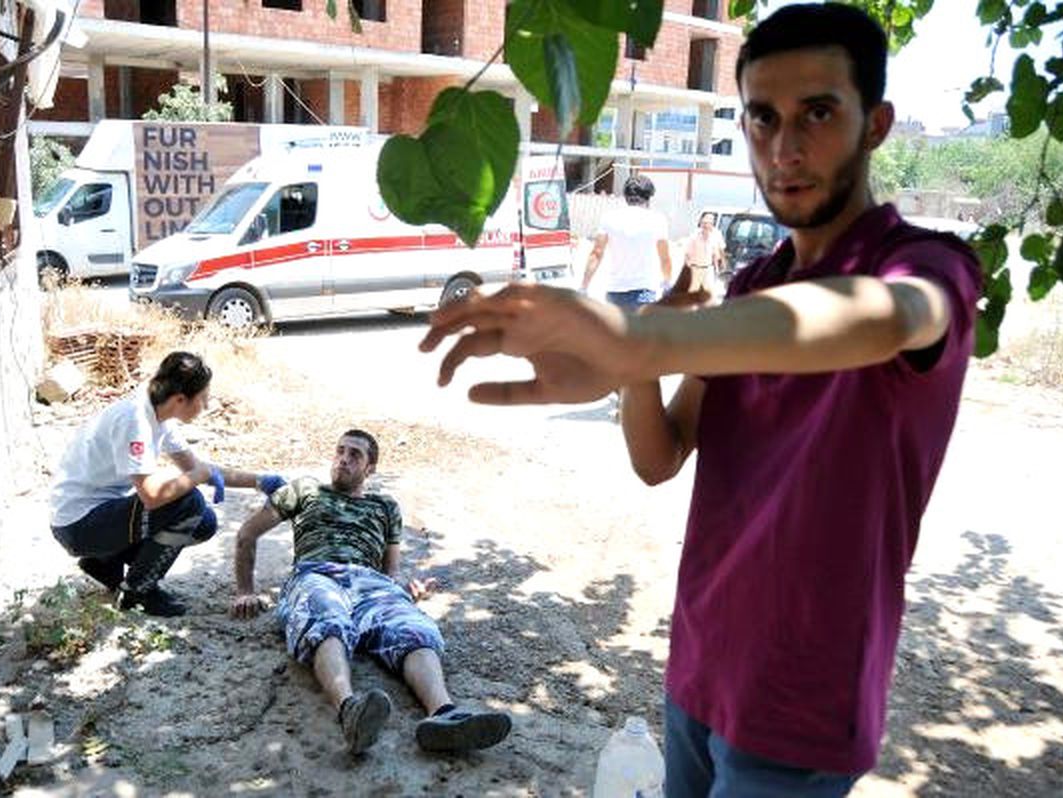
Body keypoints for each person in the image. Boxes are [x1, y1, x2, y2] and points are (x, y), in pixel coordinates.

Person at [418, 5, 981, 796]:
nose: (784, 147)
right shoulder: (752, 287)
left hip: (800, 705)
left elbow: (889, 319)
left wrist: (639, 341)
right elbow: (660, 457)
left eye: (818, 113)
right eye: (762, 117)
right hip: (701, 665)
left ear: (876, 124)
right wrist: (641, 348)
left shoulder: (926, 265)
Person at [229, 429, 512, 756]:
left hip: (370, 582)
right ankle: (349, 709)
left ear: (370, 469)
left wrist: (405, 589)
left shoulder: (385, 507)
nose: (344, 460)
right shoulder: (305, 489)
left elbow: (391, 571)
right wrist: (244, 590)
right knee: (325, 616)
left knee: (412, 626)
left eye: (355, 455)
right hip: (316, 572)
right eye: (340, 451)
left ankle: (445, 716)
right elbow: (247, 534)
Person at [49, 351, 286, 617]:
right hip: (78, 524)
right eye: (203, 399)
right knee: (189, 502)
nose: (206, 406)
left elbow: (196, 467)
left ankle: (104, 561)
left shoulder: (159, 412)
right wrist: (199, 476)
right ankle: (137, 591)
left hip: (97, 516)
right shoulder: (135, 419)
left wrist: (260, 481)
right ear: (180, 399)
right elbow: (152, 496)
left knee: (203, 522)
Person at [580, 174, 673, 310]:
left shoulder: (609, 218)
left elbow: (596, 254)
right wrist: (666, 283)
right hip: (644, 292)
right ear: (648, 197)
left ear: (626, 196)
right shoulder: (658, 220)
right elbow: (665, 259)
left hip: (615, 293)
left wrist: (583, 287)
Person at [681, 211, 728, 299]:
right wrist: (686, 269)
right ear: (701, 224)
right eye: (704, 223)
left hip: (708, 269)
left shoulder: (715, 236)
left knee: (709, 294)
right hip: (695, 268)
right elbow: (687, 254)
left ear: (712, 224)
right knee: (692, 293)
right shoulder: (694, 236)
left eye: (708, 223)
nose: (705, 226)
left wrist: (719, 267)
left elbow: (717, 253)